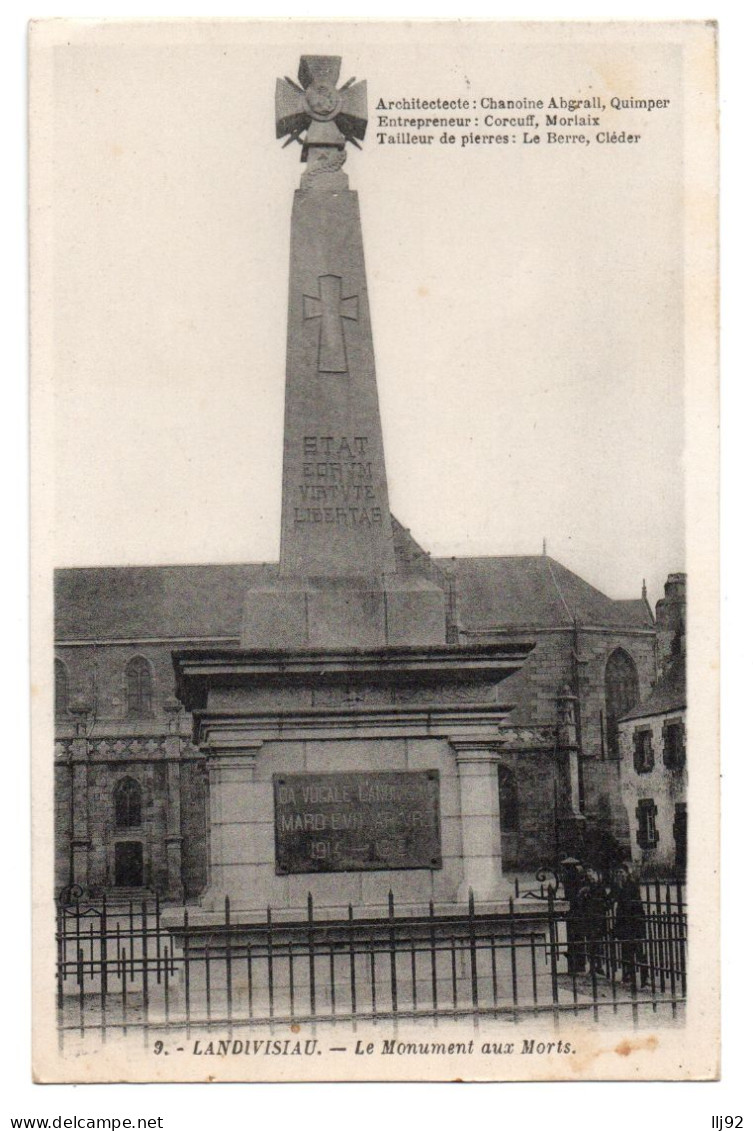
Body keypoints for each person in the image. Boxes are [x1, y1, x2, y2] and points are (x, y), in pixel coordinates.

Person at [613, 862, 648, 988]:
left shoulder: (631, 886)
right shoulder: (618, 886)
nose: (619, 875)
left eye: (621, 872)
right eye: (617, 873)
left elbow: (632, 904)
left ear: (627, 873)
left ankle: (644, 977)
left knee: (638, 951)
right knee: (626, 951)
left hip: (634, 922)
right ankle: (628, 975)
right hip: (624, 924)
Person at [580, 866, 609, 976]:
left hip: (599, 917)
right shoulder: (585, 887)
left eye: (591, 872)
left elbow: (606, 901)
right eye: (588, 872)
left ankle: (599, 965)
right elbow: (580, 902)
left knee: (599, 942)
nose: (590, 875)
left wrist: (603, 906)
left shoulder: (600, 887)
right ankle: (592, 966)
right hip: (589, 917)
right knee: (591, 942)